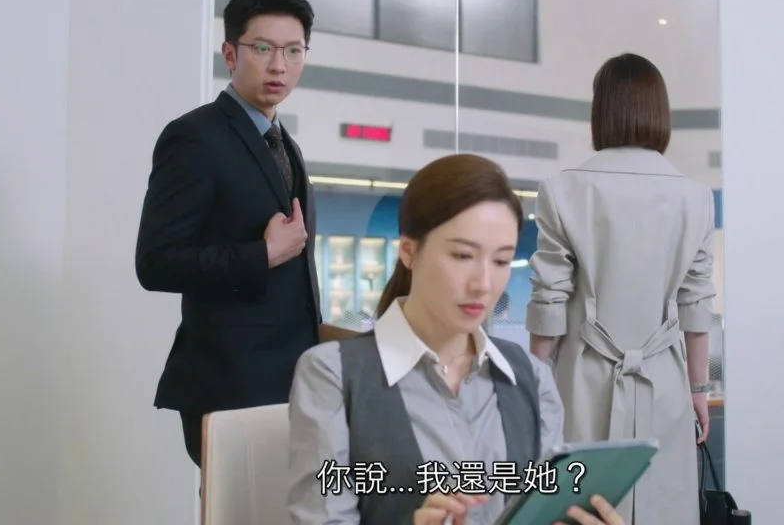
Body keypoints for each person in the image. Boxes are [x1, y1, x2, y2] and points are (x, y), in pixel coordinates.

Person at [284, 154, 625, 525]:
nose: (483, 284)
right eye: (462, 255)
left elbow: (543, 511)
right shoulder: (332, 374)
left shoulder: (531, 377)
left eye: (501, 261)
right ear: (409, 251)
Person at [134, 0, 321, 468]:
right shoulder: (194, 137)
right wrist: (262, 255)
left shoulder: (284, 143)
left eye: (293, 50)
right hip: (228, 385)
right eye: (263, 48)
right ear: (230, 54)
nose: (279, 65)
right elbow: (155, 263)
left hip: (289, 385)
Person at [526, 53, 716, 525]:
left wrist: (533, 385)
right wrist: (697, 389)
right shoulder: (695, 197)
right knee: (664, 507)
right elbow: (696, 306)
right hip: (665, 384)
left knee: (578, 507)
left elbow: (549, 300)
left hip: (582, 383)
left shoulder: (562, 190)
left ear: (602, 111)